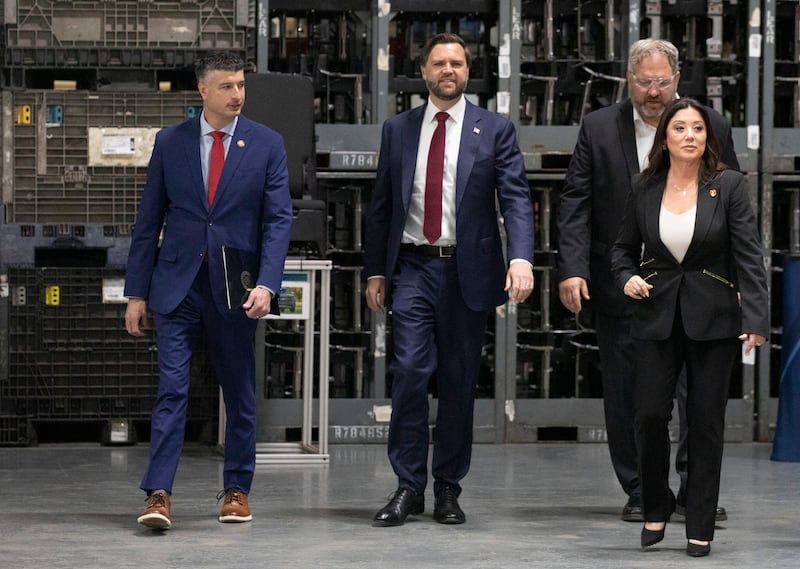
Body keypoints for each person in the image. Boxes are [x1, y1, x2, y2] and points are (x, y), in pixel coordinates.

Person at [556, 38, 739, 522]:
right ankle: (641, 490)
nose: (653, 92)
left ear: (678, 81)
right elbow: (576, 201)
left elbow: (733, 207)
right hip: (623, 282)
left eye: (662, 81)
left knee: (696, 397)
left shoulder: (710, 125)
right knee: (628, 395)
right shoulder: (598, 127)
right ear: (627, 81)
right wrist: (573, 268)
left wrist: (737, 278)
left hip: (695, 287)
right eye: (643, 81)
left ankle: (695, 492)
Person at [363, 32, 535, 527]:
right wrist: (376, 270)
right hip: (414, 267)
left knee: (458, 382)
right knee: (411, 374)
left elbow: (516, 199)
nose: (448, 71)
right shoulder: (398, 129)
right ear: (423, 72)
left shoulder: (495, 129)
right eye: (439, 63)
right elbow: (381, 207)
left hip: (468, 271)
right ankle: (407, 486)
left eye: (457, 63)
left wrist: (520, 259)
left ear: (467, 71)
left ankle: (447, 489)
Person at [124, 52, 293, 530]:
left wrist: (267, 283)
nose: (237, 94)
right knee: (172, 390)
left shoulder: (267, 144)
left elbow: (279, 220)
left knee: (239, 393)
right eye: (226, 86)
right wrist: (136, 293)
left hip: (235, 288)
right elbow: (148, 221)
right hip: (176, 286)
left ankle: (237, 491)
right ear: (202, 91)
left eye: (240, 85)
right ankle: (158, 494)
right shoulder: (170, 143)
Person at [611, 97, 768, 556]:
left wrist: (755, 317)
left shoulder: (729, 186)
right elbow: (621, 251)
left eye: (697, 129)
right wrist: (627, 278)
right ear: (666, 137)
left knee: (705, 424)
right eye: (679, 128)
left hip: (714, 318)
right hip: (655, 315)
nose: (689, 136)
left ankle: (699, 522)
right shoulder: (643, 188)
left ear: (707, 137)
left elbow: (748, 256)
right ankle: (656, 506)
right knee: (650, 416)